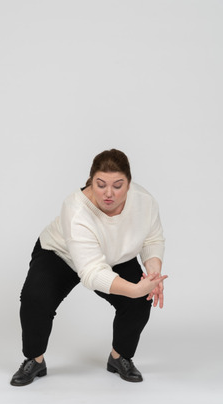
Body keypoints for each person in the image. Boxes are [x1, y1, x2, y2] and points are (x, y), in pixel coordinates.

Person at [10, 149, 167, 386]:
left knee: (138, 302)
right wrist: (136, 288)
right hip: (60, 254)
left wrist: (153, 275)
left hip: (113, 254)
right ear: (91, 181)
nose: (108, 193)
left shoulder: (145, 201)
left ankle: (119, 356)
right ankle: (35, 359)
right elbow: (91, 272)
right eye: (101, 184)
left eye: (117, 185)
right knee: (35, 299)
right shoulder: (75, 210)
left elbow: (152, 239)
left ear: (129, 183)